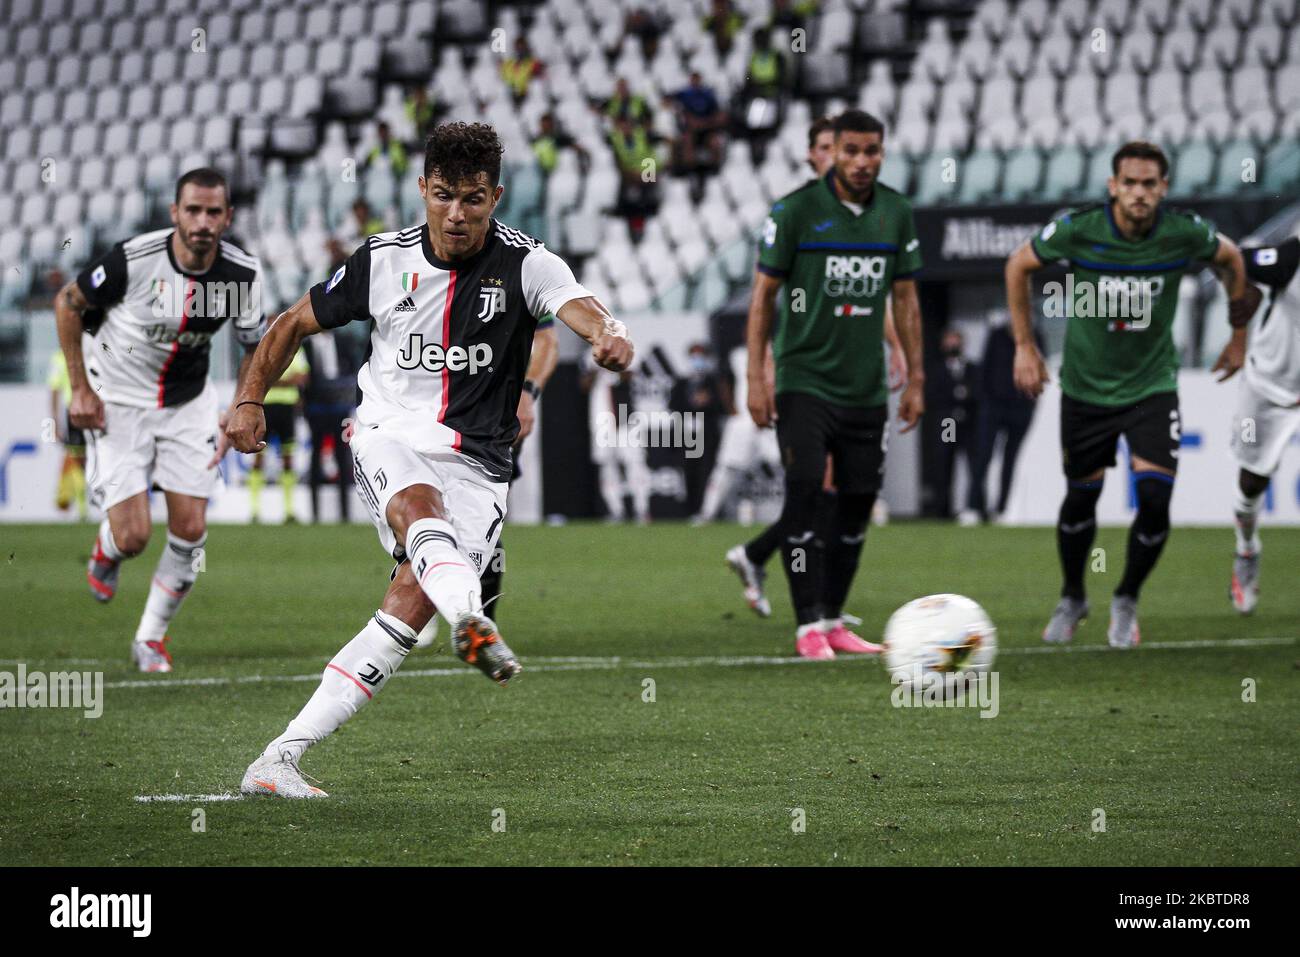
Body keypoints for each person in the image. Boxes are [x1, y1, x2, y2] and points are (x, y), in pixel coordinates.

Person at [226, 122, 633, 798]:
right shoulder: (382, 260)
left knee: (403, 614)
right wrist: (248, 399)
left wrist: (611, 335)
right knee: (420, 507)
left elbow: (584, 309)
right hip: (389, 433)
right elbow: (292, 322)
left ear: (496, 196)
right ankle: (472, 620)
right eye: (443, 195)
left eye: (473, 198)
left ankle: (276, 759)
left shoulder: (528, 263)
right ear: (422, 189)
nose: (456, 213)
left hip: (478, 464)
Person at [1008, 140, 1257, 648]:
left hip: (1152, 388)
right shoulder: (1080, 229)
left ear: (1163, 188)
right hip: (1085, 388)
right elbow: (1018, 266)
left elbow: (1233, 260)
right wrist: (1025, 347)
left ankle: (1126, 597)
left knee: (1155, 499)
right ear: (1112, 187)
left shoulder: (1182, 233)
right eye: (1130, 183)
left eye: (1149, 184)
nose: (1139, 193)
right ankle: (1074, 596)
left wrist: (1237, 337)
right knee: (1082, 500)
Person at [56, 168, 264, 672]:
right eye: (193, 210)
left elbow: (254, 346)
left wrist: (242, 405)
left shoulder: (241, 275)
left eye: (214, 212)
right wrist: (80, 389)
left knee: (191, 531)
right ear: (175, 213)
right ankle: (107, 548)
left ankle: (149, 638)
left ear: (227, 217)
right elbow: (68, 303)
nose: (203, 222)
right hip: (119, 399)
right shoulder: (135, 258)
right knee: (133, 537)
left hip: (188, 402)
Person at [744, 109, 925, 659]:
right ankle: (806, 627)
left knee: (856, 504)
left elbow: (907, 300)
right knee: (803, 494)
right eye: (852, 151)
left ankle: (832, 616)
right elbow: (763, 298)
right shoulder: (796, 212)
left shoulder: (896, 213)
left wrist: (916, 377)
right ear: (834, 152)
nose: (862, 162)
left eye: (872, 151)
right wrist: (757, 375)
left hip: (866, 388)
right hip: (804, 380)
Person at [1228, 232, 1299, 614]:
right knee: (1253, 480)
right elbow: (1235, 259)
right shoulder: (1291, 257)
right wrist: (1239, 327)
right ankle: (1247, 549)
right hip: (1272, 386)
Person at [478, 316, 559, 620]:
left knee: (486, 523)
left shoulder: (521, 271)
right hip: (436, 409)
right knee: (428, 512)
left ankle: (485, 622)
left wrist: (527, 393)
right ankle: (423, 591)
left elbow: (548, 341)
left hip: (496, 413)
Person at [960, 318, 1041, 524]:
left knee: (1010, 460)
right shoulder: (996, 335)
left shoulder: (1036, 335)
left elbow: (1040, 369)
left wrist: (1031, 403)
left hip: (1021, 408)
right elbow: (985, 369)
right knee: (983, 457)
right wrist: (985, 401)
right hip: (994, 407)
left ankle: (1002, 509)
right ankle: (974, 507)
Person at [303, 329, 359, 524]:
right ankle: (314, 513)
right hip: (316, 409)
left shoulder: (344, 340)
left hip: (339, 407)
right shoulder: (306, 344)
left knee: (342, 457)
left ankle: (345, 513)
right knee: (315, 457)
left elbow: (353, 369)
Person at [923, 326, 979, 520]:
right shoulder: (936, 369)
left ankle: (976, 507)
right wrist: (956, 394)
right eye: (949, 341)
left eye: (956, 341)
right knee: (944, 462)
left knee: (974, 464)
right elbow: (932, 395)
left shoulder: (972, 368)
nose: (953, 345)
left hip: (968, 423)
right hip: (948, 422)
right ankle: (942, 510)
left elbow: (978, 392)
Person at [247, 348, 307, 523]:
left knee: (288, 459)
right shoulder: (264, 346)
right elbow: (257, 378)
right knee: (258, 457)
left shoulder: (296, 348)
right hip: (265, 409)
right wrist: (286, 381)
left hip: (287, 408)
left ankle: (288, 510)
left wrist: (272, 380)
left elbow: (301, 378)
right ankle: (255, 510)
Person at [46, 350, 88, 519]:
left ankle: (81, 507)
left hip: (74, 411)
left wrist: (55, 421)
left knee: (76, 459)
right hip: (85, 410)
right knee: (80, 459)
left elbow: (54, 390)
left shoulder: (59, 357)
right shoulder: (84, 352)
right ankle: (82, 507)